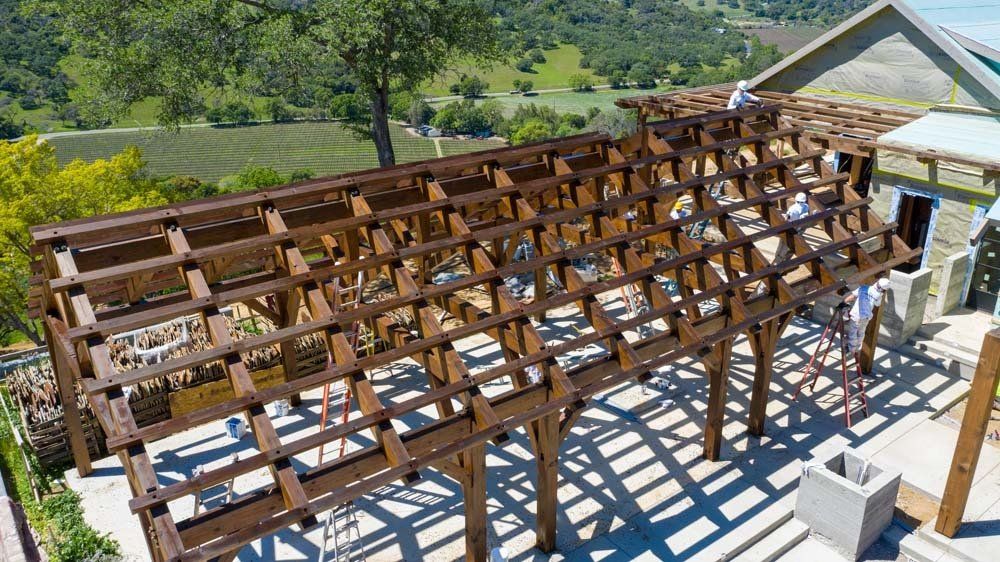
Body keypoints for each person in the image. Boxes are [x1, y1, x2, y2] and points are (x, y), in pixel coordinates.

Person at [842, 278, 890, 359]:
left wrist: (843, 303)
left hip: (856, 315)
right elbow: (877, 305)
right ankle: (856, 348)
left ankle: (851, 349)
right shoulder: (878, 295)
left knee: (853, 333)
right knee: (861, 333)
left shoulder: (863, 288)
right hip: (866, 317)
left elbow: (852, 297)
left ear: (877, 282)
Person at [774, 192, 811, 262]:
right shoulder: (798, 208)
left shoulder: (802, 207)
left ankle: (782, 262)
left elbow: (787, 217)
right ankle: (779, 262)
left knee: (786, 247)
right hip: (793, 229)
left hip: (795, 229)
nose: (800, 204)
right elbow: (787, 216)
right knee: (785, 247)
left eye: (801, 202)